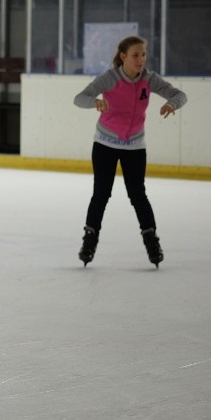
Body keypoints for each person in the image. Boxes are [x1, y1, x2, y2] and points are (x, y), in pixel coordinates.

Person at [74, 35, 187, 268]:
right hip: (105, 143)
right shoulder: (110, 78)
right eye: (135, 55)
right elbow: (79, 98)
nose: (141, 60)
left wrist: (171, 104)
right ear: (123, 56)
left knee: (138, 195)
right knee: (101, 194)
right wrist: (95, 102)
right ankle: (89, 241)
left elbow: (180, 95)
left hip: (135, 146)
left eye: (143, 55)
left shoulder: (149, 79)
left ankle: (151, 242)